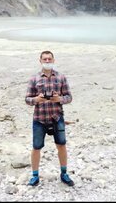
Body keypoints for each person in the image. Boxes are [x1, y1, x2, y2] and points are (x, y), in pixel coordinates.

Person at [24, 50, 74, 186]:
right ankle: (35, 175)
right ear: (40, 61)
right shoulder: (34, 79)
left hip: (57, 117)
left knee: (61, 145)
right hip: (39, 118)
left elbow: (69, 97)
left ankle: (64, 173)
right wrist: (37, 99)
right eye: (44, 59)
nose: (47, 61)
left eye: (49, 59)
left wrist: (59, 99)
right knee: (36, 147)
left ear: (53, 60)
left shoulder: (61, 77)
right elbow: (27, 99)